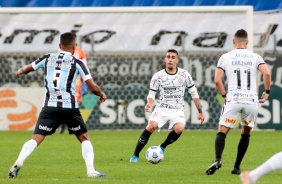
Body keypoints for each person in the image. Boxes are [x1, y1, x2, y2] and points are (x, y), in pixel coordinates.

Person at [8, 32, 107, 178]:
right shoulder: (77, 61)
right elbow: (92, 87)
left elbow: (29, 68)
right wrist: (101, 94)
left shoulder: (47, 58)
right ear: (74, 46)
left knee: (36, 137)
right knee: (84, 138)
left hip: (49, 107)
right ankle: (91, 170)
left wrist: (21, 70)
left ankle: (20, 160)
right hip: (70, 107)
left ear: (59, 46)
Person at [206, 29, 271, 175]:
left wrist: (224, 95)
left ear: (233, 42)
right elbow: (266, 73)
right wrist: (267, 92)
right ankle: (236, 166)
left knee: (222, 130)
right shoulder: (255, 56)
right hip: (250, 101)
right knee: (246, 132)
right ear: (247, 42)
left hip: (234, 99)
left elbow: (217, 80)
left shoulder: (226, 57)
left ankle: (217, 159)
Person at [129, 49, 205, 162]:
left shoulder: (184, 75)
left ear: (177, 60)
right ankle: (135, 155)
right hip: (162, 108)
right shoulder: (158, 76)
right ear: (165, 59)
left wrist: (200, 111)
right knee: (151, 126)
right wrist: (149, 104)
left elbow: (194, 93)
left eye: (173, 57)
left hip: (177, 109)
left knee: (180, 129)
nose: (170, 59)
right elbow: (151, 94)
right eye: (168, 57)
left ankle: (162, 147)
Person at [59, 46, 87, 134]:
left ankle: (71, 126)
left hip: (75, 80)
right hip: (66, 80)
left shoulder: (81, 52)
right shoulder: (60, 51)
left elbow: (84, 66)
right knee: (67, 102)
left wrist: (84, 83)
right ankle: (66, 125)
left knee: (73, 103)